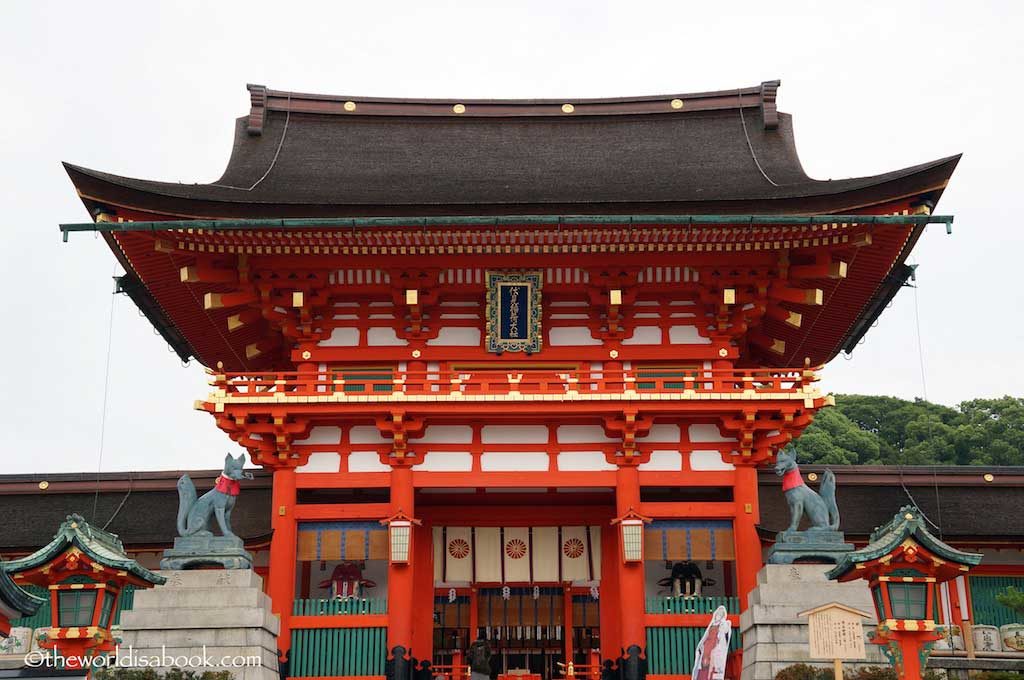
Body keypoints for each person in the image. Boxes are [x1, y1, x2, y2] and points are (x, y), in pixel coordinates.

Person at [692, 605, 731, 680]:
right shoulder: (711, 625)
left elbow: (725, 633)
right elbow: (705, 636)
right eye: (717, 614)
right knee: (704, 663)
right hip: (707, 646)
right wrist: (702, 645)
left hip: (714, 646)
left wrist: (725, 624)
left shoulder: (722, 625)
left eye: (720, 615)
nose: (718, 616)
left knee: (712, 663)